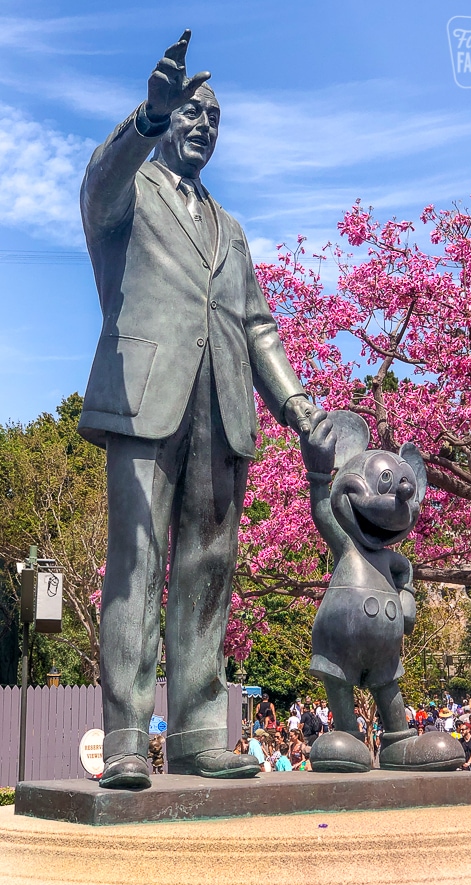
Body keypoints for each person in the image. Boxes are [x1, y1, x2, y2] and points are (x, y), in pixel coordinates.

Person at [79, 30, 318, 789]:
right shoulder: (129, 196)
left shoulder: (231, 227)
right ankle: (123, 738)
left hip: (221, 409)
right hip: (145, 399)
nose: (203, 125)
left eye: (214, 117)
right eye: (191, 113)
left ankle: (195, 734)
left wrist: (294, 402)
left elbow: (258, 326)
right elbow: (96, 186)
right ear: (166, 117)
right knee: (136, 567)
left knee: (209, 572)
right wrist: (144, 119)